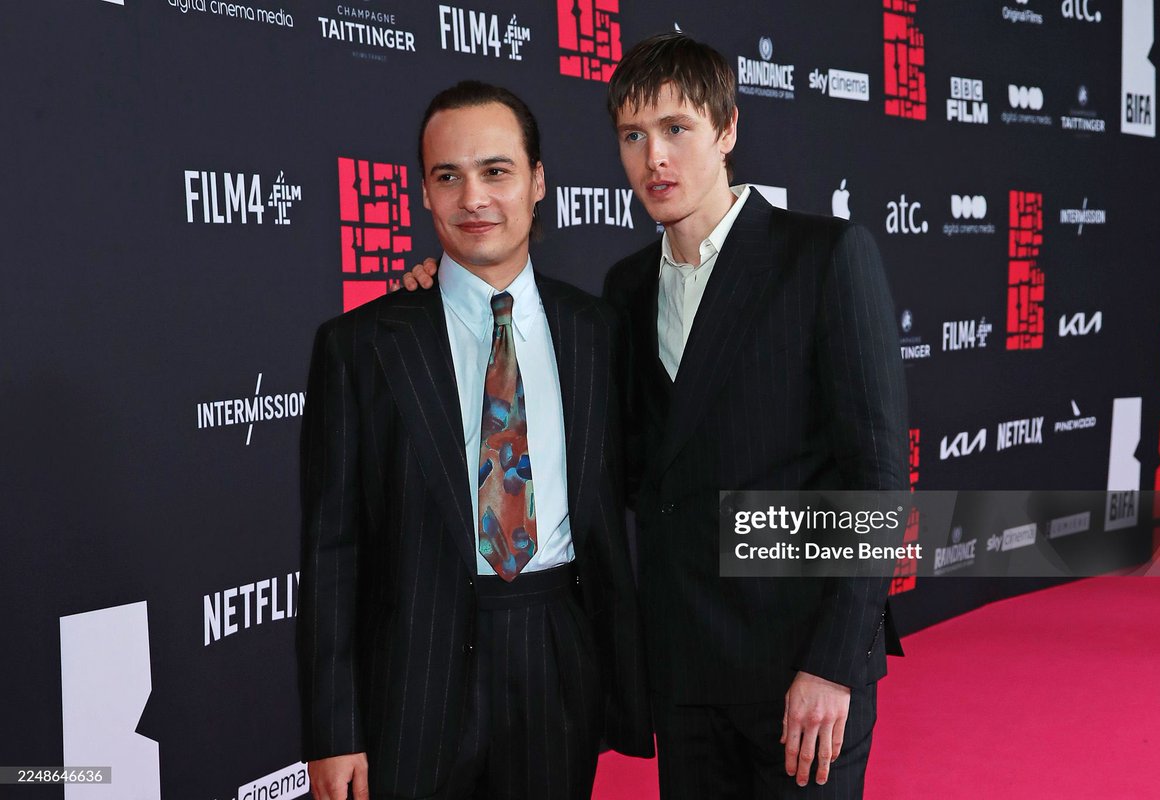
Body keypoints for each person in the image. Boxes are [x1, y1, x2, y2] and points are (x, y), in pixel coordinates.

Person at [404, 33, 908, 799]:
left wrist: (833, 664)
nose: (654, 160)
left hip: (799, 664)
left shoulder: (825, 257)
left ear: (728, 130)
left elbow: (878, 478)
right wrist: (439, 298)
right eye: (633, 137)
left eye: (677, 130)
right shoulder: (626, 287)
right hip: (684, 664)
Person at [297, 80, 653, 800]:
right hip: (414, 667)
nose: (474, 199)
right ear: (423, 194)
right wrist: (333, 730)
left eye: (496, 171)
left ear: (538, 181)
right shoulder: (361, 346)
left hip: (557, 647)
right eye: (447, 177)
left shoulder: (598, 330)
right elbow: (331, 551)